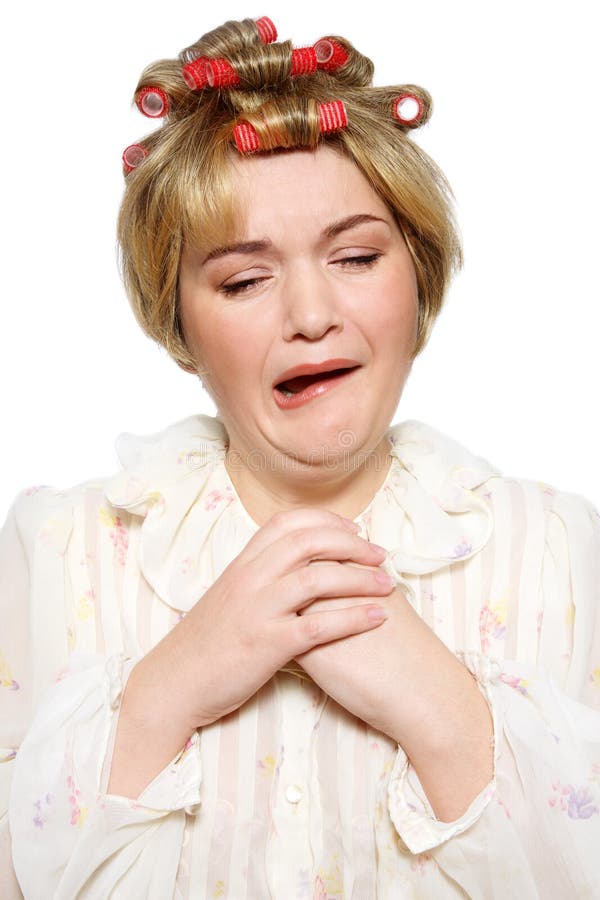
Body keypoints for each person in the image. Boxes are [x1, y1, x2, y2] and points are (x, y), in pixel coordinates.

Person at [1, 13, 599, 898]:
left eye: (356, 256)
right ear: (179, 321)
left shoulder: (551, 546)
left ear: (419, 276)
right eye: (245, 280)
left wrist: (446, 715)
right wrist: (170, 688)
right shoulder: (56, 551)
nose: (312, 314)